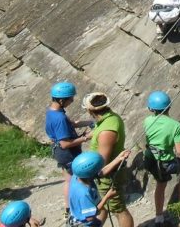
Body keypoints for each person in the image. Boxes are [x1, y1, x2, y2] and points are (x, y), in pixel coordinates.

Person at [82, 93, 133, 227]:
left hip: (108, 176)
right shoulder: (111, 117)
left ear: (89, 110)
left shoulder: (106, 132)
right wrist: (87, 136)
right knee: (103, 206)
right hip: (108, 174)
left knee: (119, 210)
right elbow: (100, 129)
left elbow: (101, 163)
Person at [45, 82, 92, 220]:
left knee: (68, 181)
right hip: (67, 153)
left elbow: (70, 124)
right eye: (70, 98)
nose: (72, 101)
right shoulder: (59, 118)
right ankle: (79, 209)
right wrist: (85, 138)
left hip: (58, 151)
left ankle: (68, 209)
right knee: (79, 181)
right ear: (61, 100)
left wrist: (88, 122)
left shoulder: (53, 111)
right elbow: (65, 143)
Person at [143, 91, 180, 227]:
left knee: (161, 184)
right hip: (164, 163)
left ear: (151, 109)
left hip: (150, 159)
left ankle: (159, 217)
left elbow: (160, 132)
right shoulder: (175, 125)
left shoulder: (147, 121)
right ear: (169, 106)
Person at [68, 151, 130, 227]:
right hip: (83, 224)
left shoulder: (78, 175)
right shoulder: (83, 193)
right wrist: (107, 197)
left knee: (100, 218)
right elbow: (89, 217)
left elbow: (101, 173)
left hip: (79, 217)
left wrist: (119, 159)